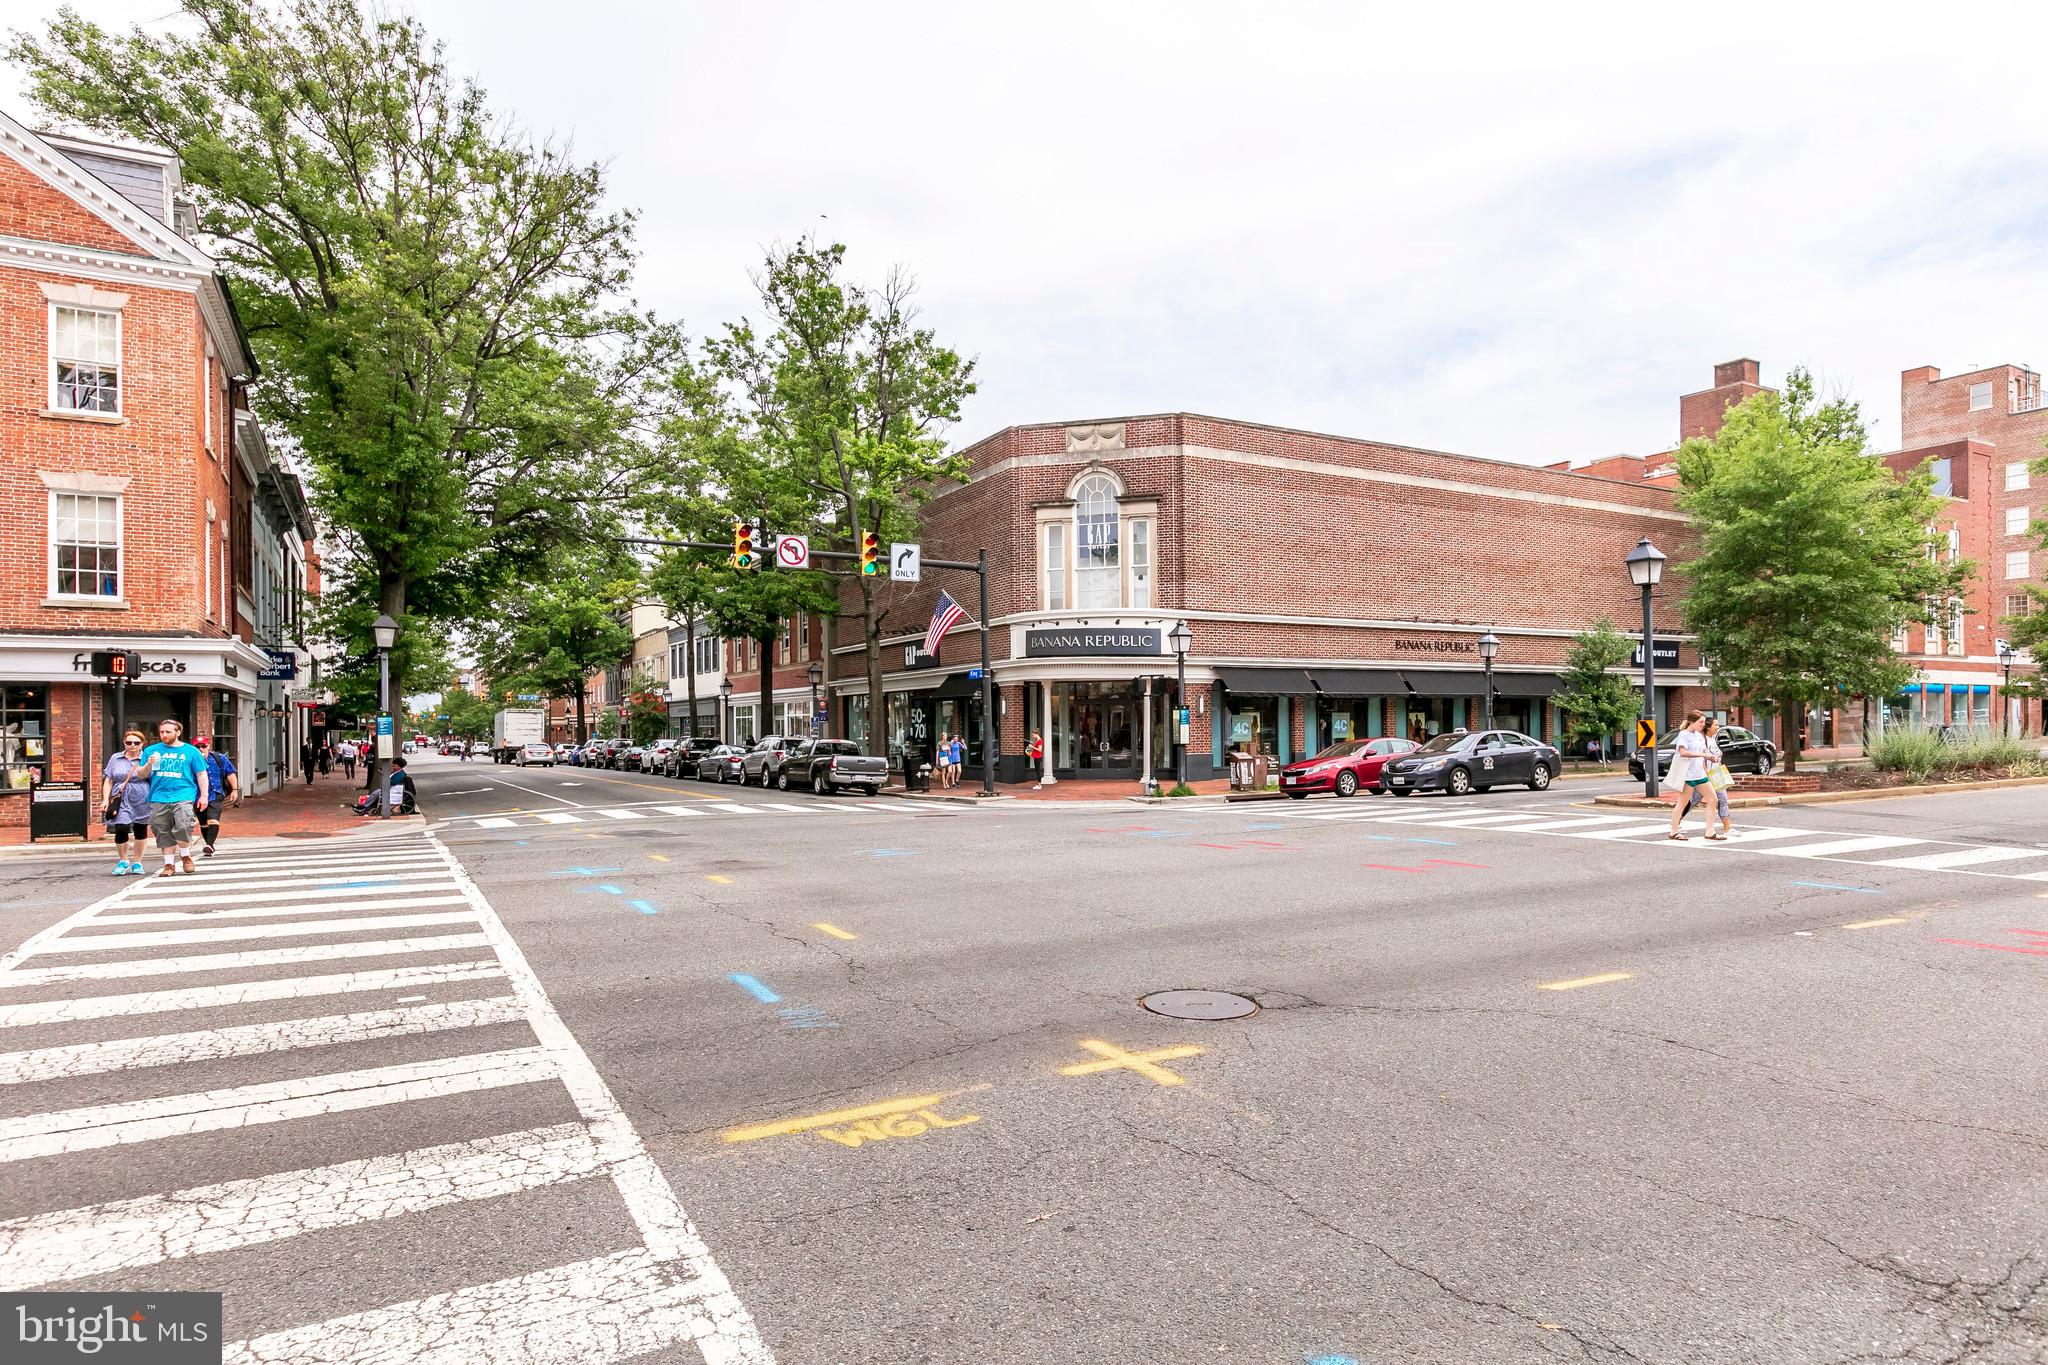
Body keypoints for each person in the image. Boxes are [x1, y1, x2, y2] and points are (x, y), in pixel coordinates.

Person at [139, 718, 209, 876]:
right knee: (161, 829)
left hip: (183, 794)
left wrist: (204, 796)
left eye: (168, 732)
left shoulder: (191, 751)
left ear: (178, 732)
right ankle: (169, 865)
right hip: (158, 796)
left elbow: (201, 774)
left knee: (183, 824)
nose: (164, 735)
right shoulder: (151, 750)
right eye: (162, 732)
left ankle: (185, 855)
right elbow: (140, 774)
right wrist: (148, 765)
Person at [99, 726, 154, 875]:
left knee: (140, 829)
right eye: (129, 742)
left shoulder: (147, 758)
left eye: (136, 743)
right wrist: (105, 799)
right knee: (121, 827)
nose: (132, 745)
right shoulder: (115, 758)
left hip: (142, 796)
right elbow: (108, 779)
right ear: (124, 743)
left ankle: (137, 862)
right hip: (120, 796)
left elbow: (154, 779)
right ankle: (123, 860)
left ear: (142, 744)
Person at [1665, 711, 1711, 840]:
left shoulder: (1700, 736)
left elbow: (1703, 751)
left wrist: (1710, 757)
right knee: (1682, 803)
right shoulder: (1683, 735)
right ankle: (1674, 831)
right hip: (1688, 775)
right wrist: (1704, 755)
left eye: (1704, 722)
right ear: (1692, 721)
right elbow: (1683, 752)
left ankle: (1710, 831)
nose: (1703, 724)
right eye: (1700, 722)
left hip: (1700, 774)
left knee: (1713, 799)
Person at [193, 735, 241, 857]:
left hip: (216, 793)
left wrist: (235, 790)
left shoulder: (219, 758)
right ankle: (210, 844)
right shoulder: (190, 760)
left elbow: (230, 773)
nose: (200, 749)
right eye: (197, 747)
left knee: (213, 819)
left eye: (203, 746)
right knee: (203, 822)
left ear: (208, 746)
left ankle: (209, 845)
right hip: (197, 796)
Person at [1701, 718, 1734, 842]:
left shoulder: (1713, 740)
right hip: (1705, 776)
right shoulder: (1703, 740)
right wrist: (1706, 774)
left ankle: (1728, 828)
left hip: (1717, 775)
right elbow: (1701, 759)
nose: (1718, 727)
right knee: (1692, 801)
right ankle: (1675, 824)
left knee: (1723, 800)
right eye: (1716, 725)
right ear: (1708, 727)